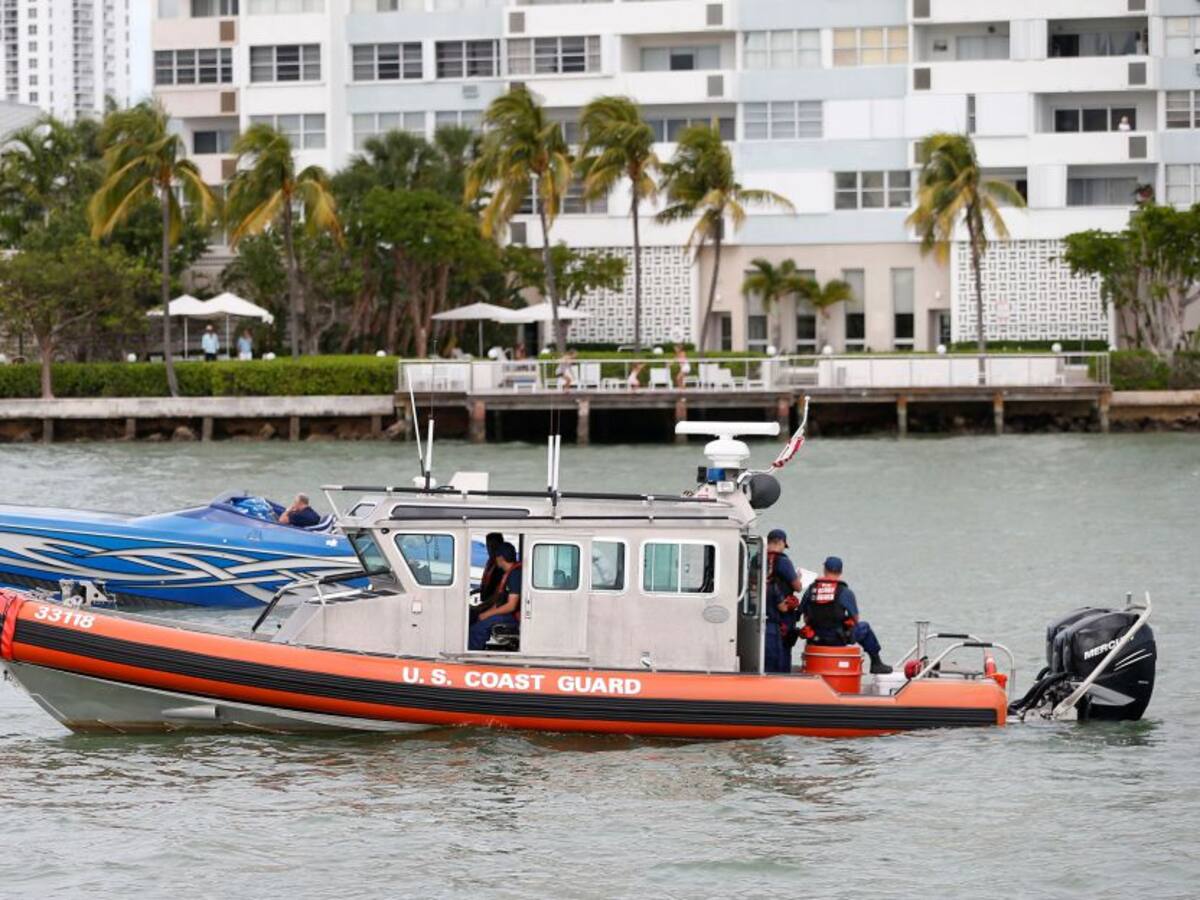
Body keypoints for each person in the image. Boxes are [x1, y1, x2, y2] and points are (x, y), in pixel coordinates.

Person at [795, 556, 892, 674]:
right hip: (837, 639)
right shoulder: (845, 592)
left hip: (815, 639)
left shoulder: (812, 589)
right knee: (864, 627)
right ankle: (876, 663)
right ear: (840, 572)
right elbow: (855, 619)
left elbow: (801, 612)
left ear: (824, 569)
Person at [763, 529, 803, 673]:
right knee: (782, 656)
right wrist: (798, 577)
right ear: (781, 542)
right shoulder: (784, 562)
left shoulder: (757, 558)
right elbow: (797, 587)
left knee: (765, 657)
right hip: (782, 618)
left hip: (760, 616)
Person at [469, 542, 521, 651]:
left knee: (477, 629)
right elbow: (500, 600)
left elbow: (511, 606)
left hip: (512, 616)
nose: (495, 560)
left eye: (496, 557)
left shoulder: (515, 575)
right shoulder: (510, 573)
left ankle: (472, 655)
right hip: (507, 613)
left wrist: (487, 614)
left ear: (501, 558)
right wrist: (484, 611)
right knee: (474, 617)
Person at [473, 531, 506, 623]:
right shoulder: (491, 562)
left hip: (493, 606)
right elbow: (489, 584)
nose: (490, 549)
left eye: (494, 546)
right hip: (486, 602)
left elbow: (499, 594)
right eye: (488, 546)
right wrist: (475, 591)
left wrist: (480, 608)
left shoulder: (501, 567)